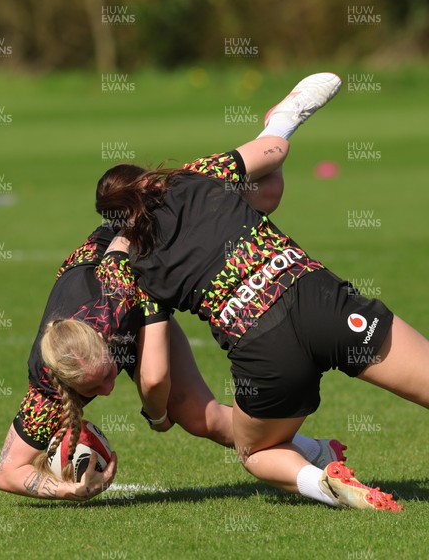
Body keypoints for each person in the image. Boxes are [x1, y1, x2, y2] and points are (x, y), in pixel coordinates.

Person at [94, 72, 429, 511]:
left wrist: (157, 416)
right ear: (150, 181)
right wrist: (279, 124)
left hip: (261, 346)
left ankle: (322, 481)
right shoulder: (196, 178)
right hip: (315, 296)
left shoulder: (138, 268)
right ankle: (282, 115)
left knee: (257, 453)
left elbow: (155, 374)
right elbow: (272, 158)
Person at [0, 221, 345, 501]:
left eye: (108, 373)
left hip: (141, 261)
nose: (109, 388)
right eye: (93, 387)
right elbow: (7, 472)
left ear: (106, 342)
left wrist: (158, 415)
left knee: (265, 193)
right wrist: (67, 490)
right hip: (116, 298)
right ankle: (320, 456)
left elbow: (155, 378)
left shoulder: (117, 298)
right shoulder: (47, 387)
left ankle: (279, 133)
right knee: (199, 418)